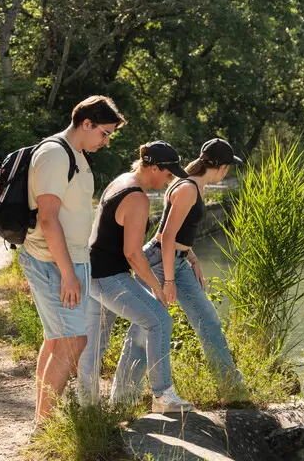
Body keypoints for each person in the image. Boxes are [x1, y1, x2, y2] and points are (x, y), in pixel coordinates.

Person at [110, 138, 246, 404]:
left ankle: (230, 385)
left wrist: (193, 260)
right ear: (219, 167)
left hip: (177, 259)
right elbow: (167, 236)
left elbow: (182, 234)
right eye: (227, 167)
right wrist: (169, 281)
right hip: (162, 262)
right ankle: (122, 399)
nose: (227, 171)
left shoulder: (196, 186)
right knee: (143, 330)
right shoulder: (187, 189)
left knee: (208, 319)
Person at [20, 95, 125, 424]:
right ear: (87, 124)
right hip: (55, 262)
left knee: (57, 340)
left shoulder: (75, 154)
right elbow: (48, 218)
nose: (106, 141)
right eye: (104, 133)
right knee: (74, 340)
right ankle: (45, 425)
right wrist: (68, 273)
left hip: (69, 260)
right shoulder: (54, 154)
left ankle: (43, 417)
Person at [79, 141, 194, 412]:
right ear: (153, 168)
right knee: (160, 321)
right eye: (168, 174)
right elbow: (132, 254)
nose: (170, 180)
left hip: (90, 272)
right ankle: (163, 396)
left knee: (94, 345)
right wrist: (158, 287)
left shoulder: (121, 181)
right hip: (109, 277)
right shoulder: (137, 198)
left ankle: (86, 408)